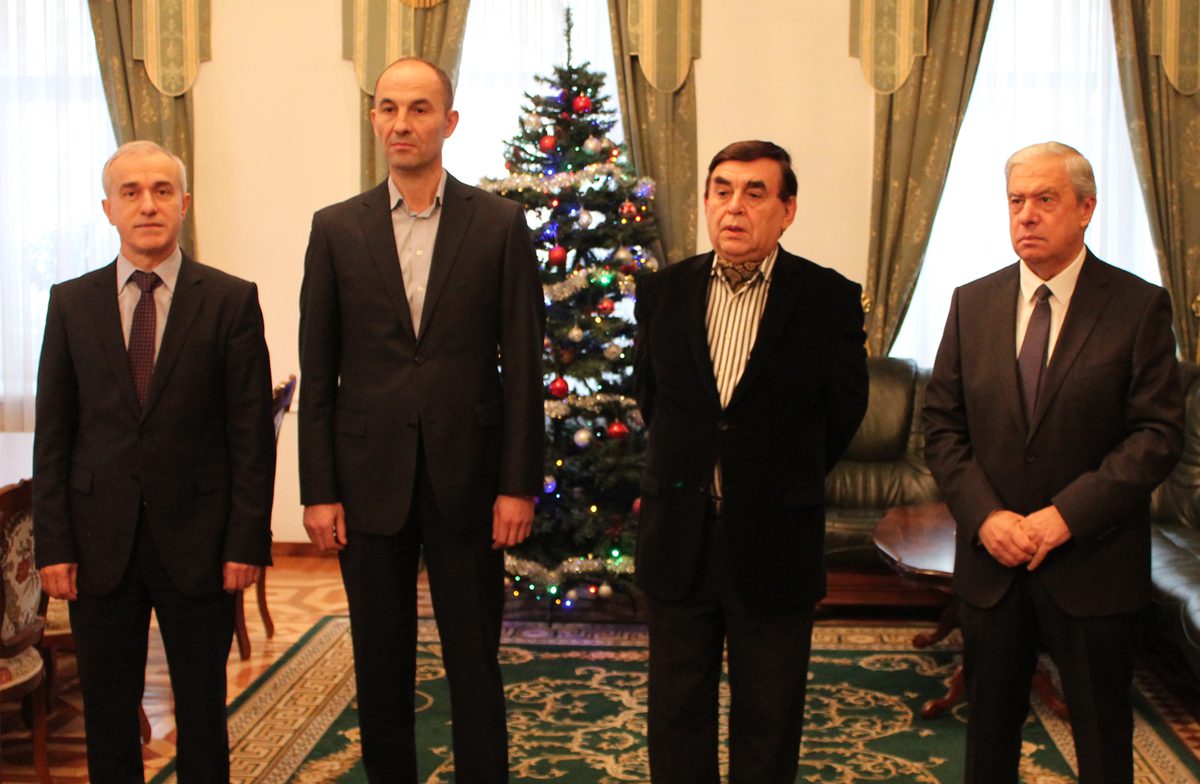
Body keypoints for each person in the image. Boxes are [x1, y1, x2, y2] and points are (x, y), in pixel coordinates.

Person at [297, 56, 544, 783]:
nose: (401, 122)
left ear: (450, 121)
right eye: (389, 108)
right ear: (374, 118)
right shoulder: (335, 229)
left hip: (470, 477)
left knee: (474, 661)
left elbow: (523, 366)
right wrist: (318, 490)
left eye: (419, 108)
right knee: (380, 664)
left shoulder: (499, 225)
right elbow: (319, 370)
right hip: (366, 479)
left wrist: (518, 485)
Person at [923, 141, 1184, 784]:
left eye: (1045, 199)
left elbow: (1156, 435)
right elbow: (942, 428)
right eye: (1017, 201)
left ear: (1086, 208)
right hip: (993, 564)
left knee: (1102, 739)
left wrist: (1064, 517)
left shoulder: (1138, 306)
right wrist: (986, 518)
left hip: (1092, 562)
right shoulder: (971, 303)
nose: (1027, 215)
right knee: (987, 738)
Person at [33, 140, 276, 782]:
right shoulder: (71, 303)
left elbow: (251, 436)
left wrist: (246, 541)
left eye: (162, 191)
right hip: (97, 543)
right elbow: (53, 437)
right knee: (108, 713)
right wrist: (53, 546)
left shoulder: (229, 300)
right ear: (108, 209)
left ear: (184, 204)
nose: (148, 205)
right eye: (132, 192)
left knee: (202, 711)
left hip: (200, 541)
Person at [632, 139, 869, 784]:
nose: (734, 206)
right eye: (722, 190)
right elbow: (653, 399)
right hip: (679, 534)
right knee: (676, 711)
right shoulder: (662, 292)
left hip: (776, 536)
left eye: (754, 193)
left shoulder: (828, 299)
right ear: (707, 202)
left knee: (769, 714)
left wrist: (773, 477)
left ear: (787, 211)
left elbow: (843, 413)